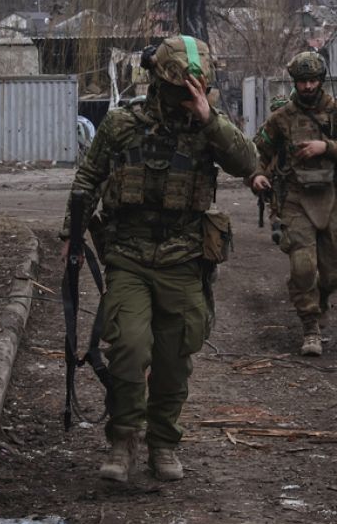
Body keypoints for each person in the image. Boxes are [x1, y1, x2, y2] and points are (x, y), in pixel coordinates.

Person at [61, 35, 257, 483]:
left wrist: (209, 120)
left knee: (174, 357)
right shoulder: (121, 125)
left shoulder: (208, 126)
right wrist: (70, 236)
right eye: (179, 89)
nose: (187, 98)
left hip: (184, 258)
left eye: (197, 89)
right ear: (158, 84)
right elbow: (88, 178)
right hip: (128, 255)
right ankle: (123, 440)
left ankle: (163, 443)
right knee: (129, 347)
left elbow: (249, 162)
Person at [249, 51, 337, 356]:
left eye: (313, 80)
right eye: (302, 81)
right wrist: (258, 176)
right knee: (303, 268)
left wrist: (325, 147)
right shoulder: (280, 118)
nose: (308, 86)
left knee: (333, 272)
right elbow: (259, 153)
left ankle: (323, 299)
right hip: (295, 199)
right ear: (295, 82)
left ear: (321, 80)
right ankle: (310, 327)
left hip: (332, 197)